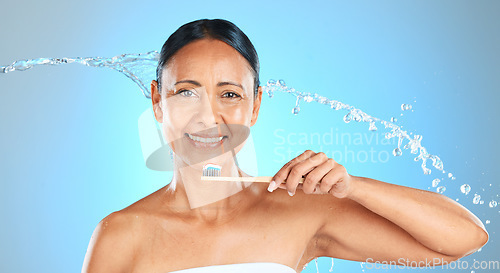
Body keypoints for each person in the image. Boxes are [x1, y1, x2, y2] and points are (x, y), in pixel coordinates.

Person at [81, 19, 488, 273]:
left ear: (255, 105)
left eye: (229, 95)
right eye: (187, 93)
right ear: (157, 100)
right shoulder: (121, 235)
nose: (207, 117)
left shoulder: (297, 210)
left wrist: (356, 187)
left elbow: (463, 240)